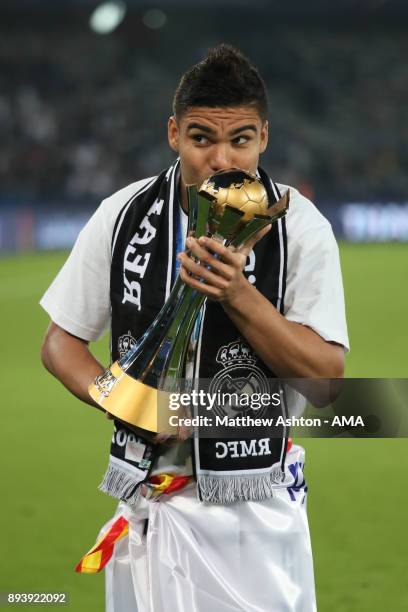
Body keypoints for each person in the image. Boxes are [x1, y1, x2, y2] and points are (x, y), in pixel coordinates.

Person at [40, 44, 349, 612]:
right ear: (174, 134)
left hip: (252, 515)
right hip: (145, 504)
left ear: (264, 138)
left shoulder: (301, 229)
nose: (222, 158)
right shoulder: (123, 213)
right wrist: (125, 400)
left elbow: (327, 379)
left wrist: (237, 294)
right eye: (202, 138)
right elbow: (61, 341)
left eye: (241, 139)